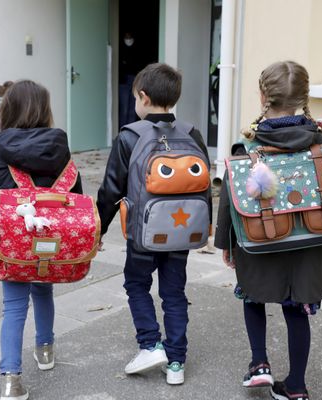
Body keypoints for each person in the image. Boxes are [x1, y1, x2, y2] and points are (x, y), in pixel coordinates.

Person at [214, 60, 322, 400]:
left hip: (260, 235)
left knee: (252, 297)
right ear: (306, 97)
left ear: (263, 96)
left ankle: (259, 364)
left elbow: (230, 203)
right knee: (296, 310)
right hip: (315, 237)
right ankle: (297, 387)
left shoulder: (246, 149)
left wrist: (227, 245)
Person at [97, 63, 211, 385]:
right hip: (182, 232)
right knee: (174, 292)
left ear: (143, 98)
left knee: (137, 284)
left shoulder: (130, 135)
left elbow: (111, 190)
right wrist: (207, 226)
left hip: (143, 235)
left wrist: (99, 229)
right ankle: (176, 363)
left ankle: (150, 345)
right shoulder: (191, 133)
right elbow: (202, 187)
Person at [0, 80, 83, 400]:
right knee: (43, 292)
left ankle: (11, 379)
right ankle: (45, 349)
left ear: (8, 108)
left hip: (13, 242)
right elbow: (76, 195)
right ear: (45, 109)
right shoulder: (61, 148)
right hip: (51, 240)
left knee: (13, 307)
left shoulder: (0, 150)